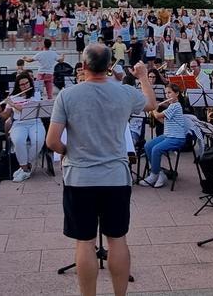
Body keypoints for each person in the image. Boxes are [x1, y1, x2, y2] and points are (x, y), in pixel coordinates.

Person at [46, 45, 155, 296]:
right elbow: (150, 103)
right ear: (109, 66)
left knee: (84, 242)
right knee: (117, 240)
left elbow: (52, 141)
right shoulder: (124, 92)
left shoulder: (68, 95)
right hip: (116, 177)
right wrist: (142, 76)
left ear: (83, 66)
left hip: (80, 177)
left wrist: (67, 152)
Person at [138, 83, 189, 188]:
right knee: (148, 146)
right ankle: (160, 173)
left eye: (169, 93)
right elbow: (163, 121)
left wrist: (153, 108)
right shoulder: (171, 105)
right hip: (168, 135)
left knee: (156, 149)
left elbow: (158, 115)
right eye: (166, 93)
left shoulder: (176, 106)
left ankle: (154, 174)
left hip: (177, 138)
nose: (167, 95)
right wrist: (154, 112)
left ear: (177, 93)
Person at [0, 72, 44, 182]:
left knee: (38, 141)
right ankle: (24, 168)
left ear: (30, 82)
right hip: (19, 124)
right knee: (18, 140)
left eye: (27, 83)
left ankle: (25, 166)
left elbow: (27, 110)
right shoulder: (13, 97)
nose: (25, 86)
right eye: (22, 84)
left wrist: (13, 105)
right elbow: (5, 115)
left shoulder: (36, 95)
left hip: (35, 122)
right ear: (18, 86)